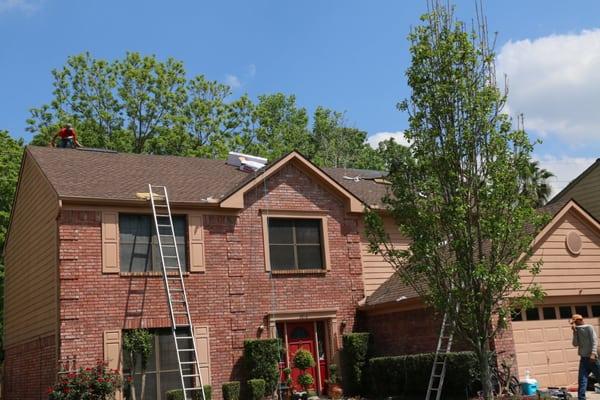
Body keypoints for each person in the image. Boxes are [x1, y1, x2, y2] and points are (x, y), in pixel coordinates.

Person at [572, 314, 600, 399]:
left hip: (593, 359)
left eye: (575, 321)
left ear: (580, 320)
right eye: (574, 322)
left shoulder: (589, 327)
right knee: (582, 380)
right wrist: (574, 333)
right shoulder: (577, 330)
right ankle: (581, 398)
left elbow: (594, 340)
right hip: (583, 359)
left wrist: (593, 353)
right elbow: (575, 344)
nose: (575, 324)